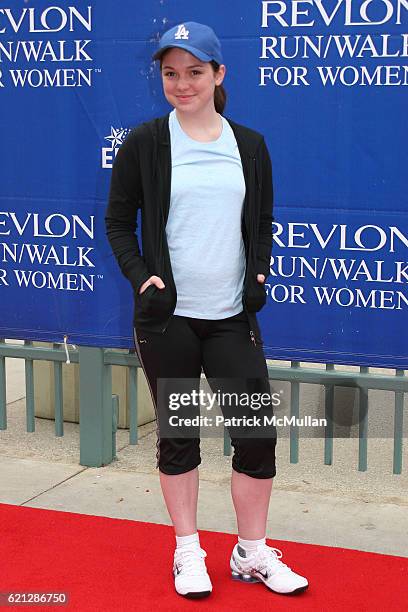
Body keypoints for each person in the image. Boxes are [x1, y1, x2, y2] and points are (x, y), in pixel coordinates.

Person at [105, 21, 308, 600]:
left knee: (255, 436)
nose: (181, 83)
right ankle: (188, 552)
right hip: (167, 320)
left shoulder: (249, 145)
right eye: (170, 73)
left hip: (229, 318)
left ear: (219, 75)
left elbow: (261, 220)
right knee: (180, 436)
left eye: (194, 72)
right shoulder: (145, 142)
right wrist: (142, 276)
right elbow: (119, 222)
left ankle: (251, 553)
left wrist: (259, 271)